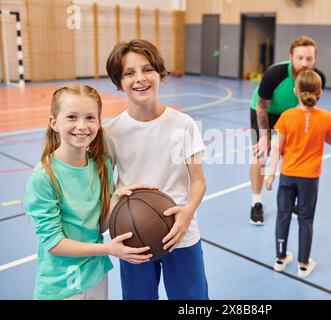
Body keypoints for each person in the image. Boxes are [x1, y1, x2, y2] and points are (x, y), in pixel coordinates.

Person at [23, 85, 154, 300]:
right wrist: (109, 250)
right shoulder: (44, 177)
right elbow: (55, 244)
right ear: (54, 123)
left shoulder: (101, 165)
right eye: (72, 117)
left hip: (95, 276)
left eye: (90, 118)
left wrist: (117, 199)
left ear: (99, 122)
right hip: (62, 285)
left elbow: (99, 226)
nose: (82, 126)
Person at [104, 39, 208, 300]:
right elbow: (105, 189)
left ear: (160, 74)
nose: (140, 78)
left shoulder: (184, 124)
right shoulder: (111, 132)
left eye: (147, 69)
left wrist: (186, 213)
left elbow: (198, 181)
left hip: (180, 234)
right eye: (129, 73)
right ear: (119, 83)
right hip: (132, 236)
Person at [265, 70, 331, 278]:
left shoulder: (287, 116)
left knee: (283, 216)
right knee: (306, 219)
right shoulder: (326, 118)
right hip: (310, 178)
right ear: (320, 92)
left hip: (288, 175)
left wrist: (270, 175)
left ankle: (280, 258)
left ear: (296, 91)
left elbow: (277, 148)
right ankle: (303, 264)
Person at [249, 35, 326, 225]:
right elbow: (261, 106)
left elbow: (309, 109)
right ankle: (256, 202)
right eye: (300, 58)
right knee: (261, 156)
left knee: (294, 156)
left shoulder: (317, 79)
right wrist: (266, 137)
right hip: (266, 112)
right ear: (291, 57)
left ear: (315, 59)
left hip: (292, 115)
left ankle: (294, 203)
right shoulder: (275, 74)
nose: (305, 63)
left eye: (309, 58)